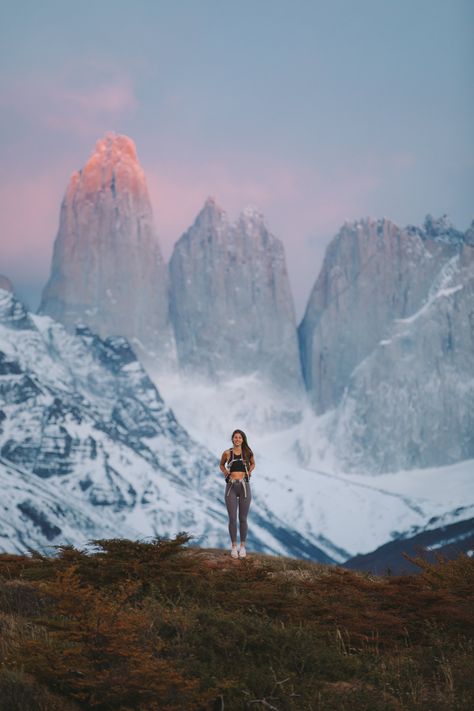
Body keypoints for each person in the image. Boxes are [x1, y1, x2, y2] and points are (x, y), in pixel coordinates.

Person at [220, 429, 255, 559]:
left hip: (244, 486)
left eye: (240, 437)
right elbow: (221, 465)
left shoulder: (248, 452)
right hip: (231, 487)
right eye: (235, 437)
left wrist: (249, 472)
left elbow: (253, 464)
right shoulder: (227, 453)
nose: (237, 439)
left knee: (243, 518)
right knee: (232, 518)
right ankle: (234, 546)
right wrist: (225, 472)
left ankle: (242, 547)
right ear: (232, 439)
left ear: (243, 439)